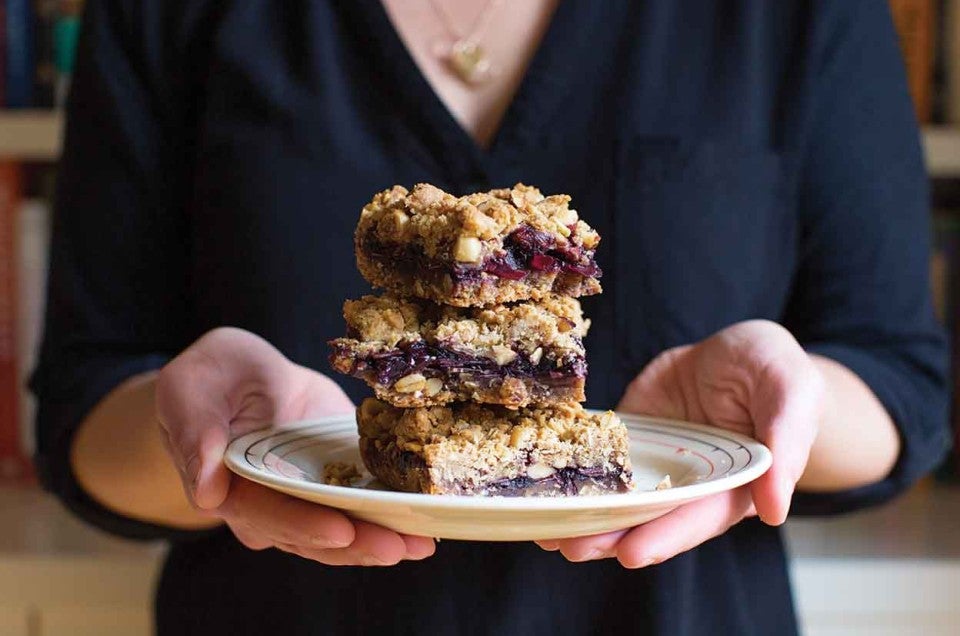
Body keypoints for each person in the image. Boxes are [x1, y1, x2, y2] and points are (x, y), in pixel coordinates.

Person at [32, 1, 949, 634]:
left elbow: (902, 385)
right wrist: (210, 440)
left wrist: (792, 404)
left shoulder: (798, 17)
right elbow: (85, 403)